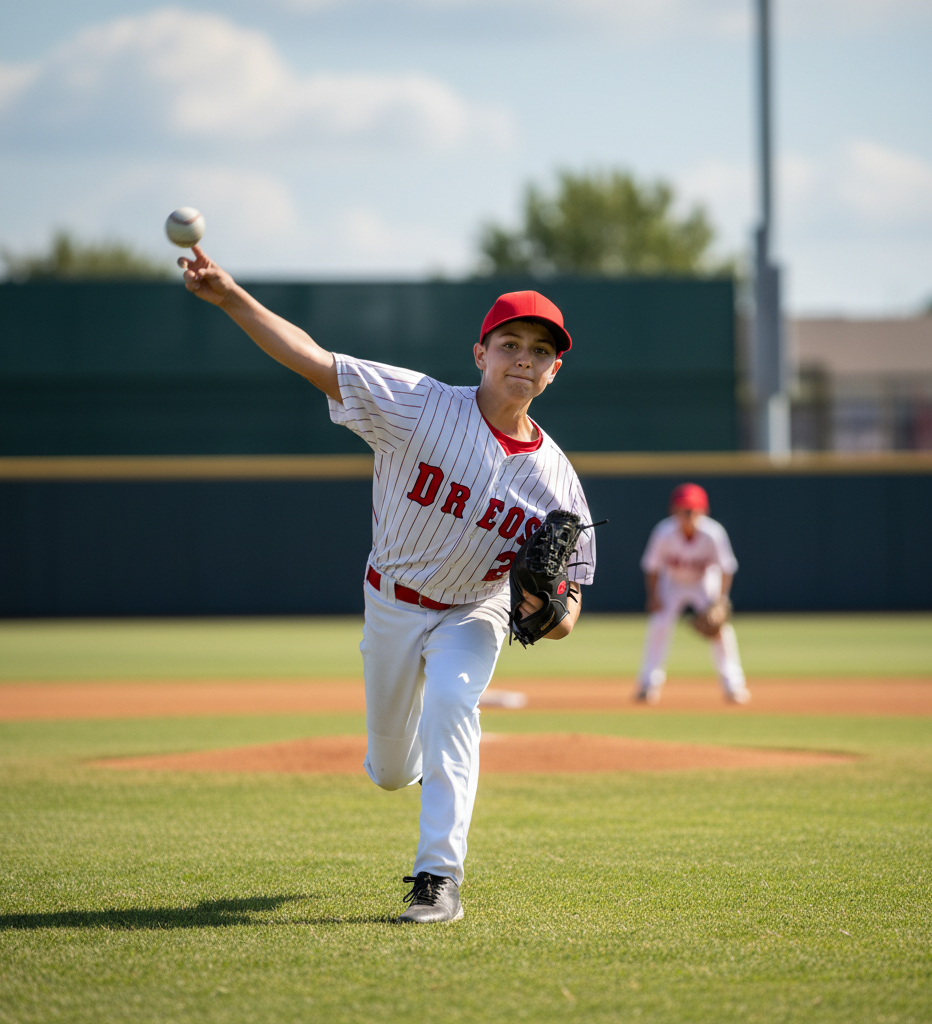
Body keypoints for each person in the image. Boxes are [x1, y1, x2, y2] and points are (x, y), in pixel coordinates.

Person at [178, 246, 596, 922]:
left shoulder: (557, 481)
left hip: (475, 610)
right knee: (392, 771)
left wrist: (546, 612)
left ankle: (438, 878)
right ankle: (417, 764)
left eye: (541, 350)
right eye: (510, 342)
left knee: (456, 706)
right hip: (393, 602)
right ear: (480, 353)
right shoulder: (420, 407)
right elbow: (312, 358)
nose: (525, 356)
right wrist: (229, 296)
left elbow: (569, 605)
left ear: (554, 369)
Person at [634, 482, 749, 706]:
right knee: (659, 624)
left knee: (720, 630)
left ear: (703, 511)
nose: (689, 514)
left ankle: (733, 685)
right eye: (684, 509)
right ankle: (649, 684)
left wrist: (721, 600)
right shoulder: (663, 532)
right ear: (674, 510)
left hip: (703, 582)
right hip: (673, 583)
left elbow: (726, 568)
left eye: (693, 509)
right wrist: (654, 596)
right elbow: (652, 567)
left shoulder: (713, 533)